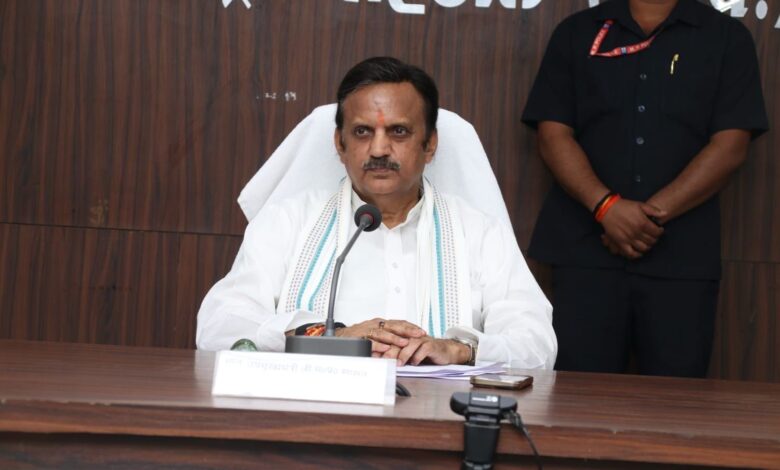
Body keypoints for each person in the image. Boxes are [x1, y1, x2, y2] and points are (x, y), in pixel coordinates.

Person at [197, 57, 557, 368]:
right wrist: (323, 335)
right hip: (312, 414)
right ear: (340, 144)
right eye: (362, 132)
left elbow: (537, 343)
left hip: (440, 416)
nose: (379, 149)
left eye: (398, 131)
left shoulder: (479, 232)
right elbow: (218, 326)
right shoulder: (287, 221)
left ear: (430, 144)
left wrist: (461, 349)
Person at [522, 0, 768, 376]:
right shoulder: (577, 33)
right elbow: (553, 135)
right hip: (585, 254)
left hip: (681, 259)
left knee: (676, 402)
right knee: (578, 397)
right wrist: (606, 207)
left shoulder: (726, 37)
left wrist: (647, 217)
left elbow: (731, 145)